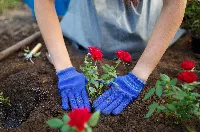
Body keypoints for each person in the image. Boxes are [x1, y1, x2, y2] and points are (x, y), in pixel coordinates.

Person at [26, 0, 187, 115]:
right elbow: (44, 2)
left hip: (146, 26)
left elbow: (175, 3)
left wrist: (140, 74)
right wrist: (64, 69)